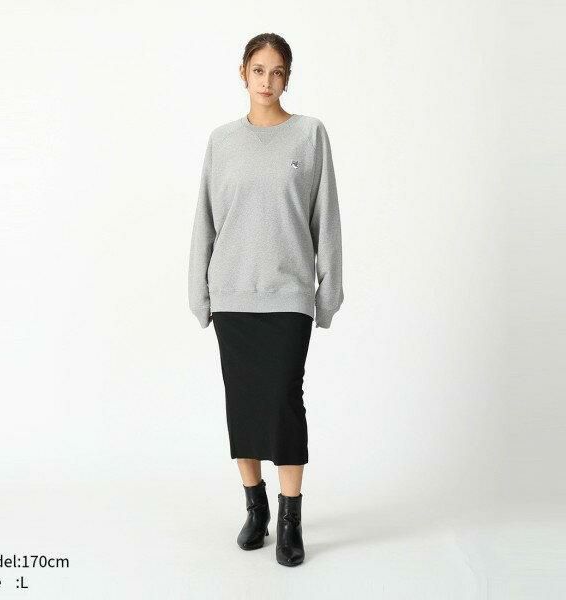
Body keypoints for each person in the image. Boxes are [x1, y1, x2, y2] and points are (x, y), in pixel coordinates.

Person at [187, 32, 344, 567]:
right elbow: (205, 220)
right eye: (259, 70)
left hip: (288, 294)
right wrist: (199, 291)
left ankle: (291, 518)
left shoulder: (309, 135)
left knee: (283, 404)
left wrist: (329, 290)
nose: (267, 81)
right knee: (242, 401)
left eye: (278, 72)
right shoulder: (222, 141)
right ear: (243, 73)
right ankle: (256, 508)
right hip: (233, 295)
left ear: (287, 78)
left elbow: (326, 217)